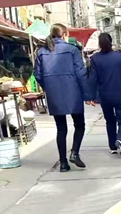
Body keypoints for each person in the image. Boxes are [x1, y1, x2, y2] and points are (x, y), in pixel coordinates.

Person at [34, 23, 93, 172]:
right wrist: (87, 95)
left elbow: (38, 75)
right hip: (73, 92)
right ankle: (74, 152)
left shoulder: (41, 52)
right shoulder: (72, 50)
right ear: (65, 34)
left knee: (61, 128)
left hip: (54, 94)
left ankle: (63, 163)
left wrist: (48, 86)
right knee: (79, 124)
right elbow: (81, 73)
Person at [88, 33, 121, 159]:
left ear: (99, 43)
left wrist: (91, 96)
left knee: (110, 120)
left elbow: (92, 78)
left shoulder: (95, 59)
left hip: (104, 96)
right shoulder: (120, 57)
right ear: (111, 42)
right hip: (120, 94)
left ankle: (113, 146)